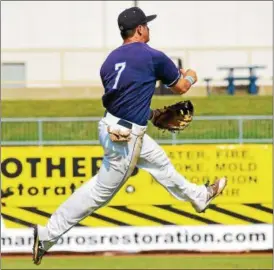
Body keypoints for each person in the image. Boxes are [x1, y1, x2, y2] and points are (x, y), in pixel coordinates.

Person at [33, 7, 227, 265]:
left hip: (112, 124)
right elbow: (180, 88)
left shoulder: (110, 60)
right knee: (100, 192)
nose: (148, 28)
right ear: (139, 29)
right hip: (125, 135)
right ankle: (47, 235)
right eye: (146, 24)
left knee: (161, 164)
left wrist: (150, 113)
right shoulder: (153, 56)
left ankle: (199, 197)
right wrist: (190, 77)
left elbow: (124, 100)